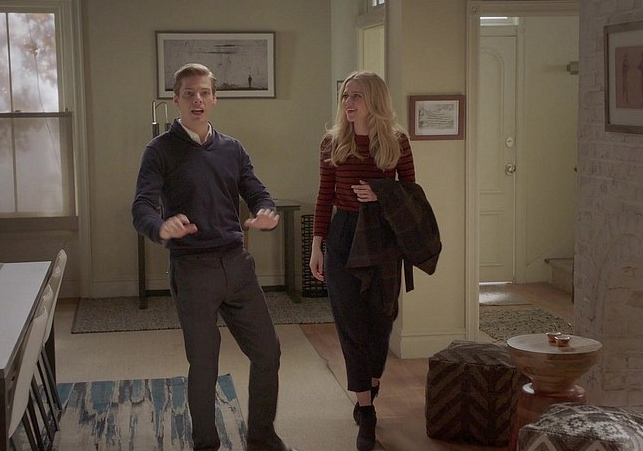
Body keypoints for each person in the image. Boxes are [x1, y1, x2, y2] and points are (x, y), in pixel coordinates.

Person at [132, 63, 297, 451]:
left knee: (268, 352)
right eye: (189, 93)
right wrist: (160, 227)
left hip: (237, 265)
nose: (198, 99)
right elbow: (141, 206)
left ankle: (262, 436)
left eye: (204, 92)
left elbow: (257, 192)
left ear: (214, 98)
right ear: (176, 100)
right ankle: (206, 444)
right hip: (193, 270)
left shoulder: (232, 148)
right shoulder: (159, 150)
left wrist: (266, 211)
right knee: (205, 364)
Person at [310, 71, 438, 451]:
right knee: (350, 322)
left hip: (382, 238)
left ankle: (371, 383)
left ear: (375, 100)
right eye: (345, 96)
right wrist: (316, 246)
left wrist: (381, 193)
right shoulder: (332, 142)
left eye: (357, 97)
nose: (348, 103)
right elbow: (324, 196)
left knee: (381, 320)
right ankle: (366, 410)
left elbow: (413, 196)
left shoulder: (397, 141)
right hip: (343, 236)